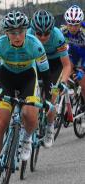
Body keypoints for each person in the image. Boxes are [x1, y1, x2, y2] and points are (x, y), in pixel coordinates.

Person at [0, 10, 52, 184]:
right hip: (6, 79)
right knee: (0, 121)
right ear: (6, 33)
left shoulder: (35, 45)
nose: (17, 36)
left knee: (30, 114)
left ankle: (27, 138)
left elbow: (45, 74)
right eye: (12, 32)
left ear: (25, 31)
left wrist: (47, 97)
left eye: (21, 31)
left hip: (28, 79)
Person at [28, 9, 71, 148]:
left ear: (51, 30)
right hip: (36, 63)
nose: (42, 37)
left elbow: (66, 65)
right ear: (33, 30)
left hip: (54, 65)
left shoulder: (58, 36)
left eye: (46, 33)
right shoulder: (28, 35)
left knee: (51, 97)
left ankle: (50, 128)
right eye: (39, 33)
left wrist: (63, 83)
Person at [61, 5, 85, 112]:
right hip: (71, 56)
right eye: (70, 25)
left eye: (76, 25)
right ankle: (67, 95)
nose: (73, 28)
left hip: (83, 58)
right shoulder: (63, 31)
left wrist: (83, 69)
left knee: (82, 81)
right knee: (62, 75)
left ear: (80, 23)